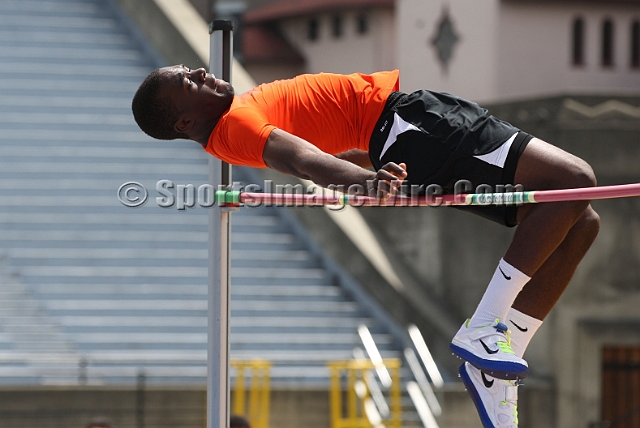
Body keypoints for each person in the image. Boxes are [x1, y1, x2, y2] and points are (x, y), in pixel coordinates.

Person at [132, 66, 600, 428]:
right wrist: (367, 182)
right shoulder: (235, 127)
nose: (201, 72)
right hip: (410, 126)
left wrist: (367, 169)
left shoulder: (229, 127)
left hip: (394, 136)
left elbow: (318, 140)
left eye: (193, 68)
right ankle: (483, 328)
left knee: (579, 220)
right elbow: (304, 160)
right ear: (185, 118)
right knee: (575, 180)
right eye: (188, 80)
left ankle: (497, 357)